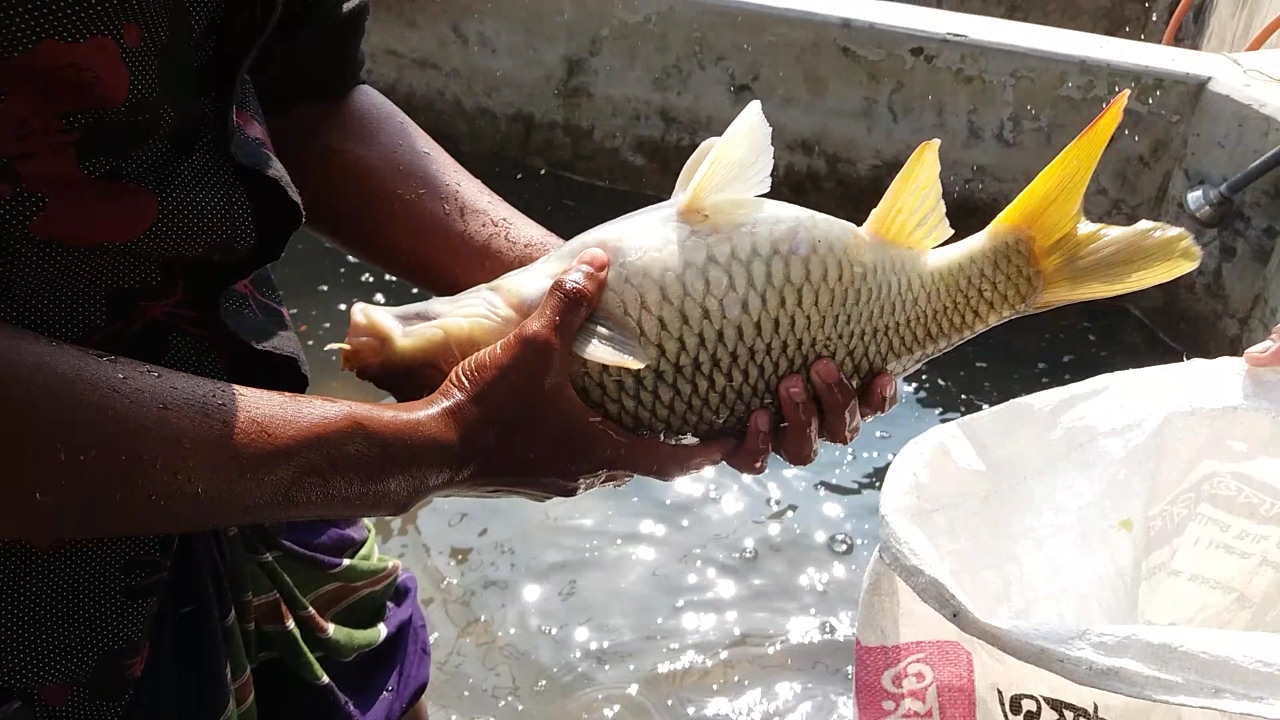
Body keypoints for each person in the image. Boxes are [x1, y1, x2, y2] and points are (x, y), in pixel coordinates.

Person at [0, 2, 899, 719]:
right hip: (46, 613)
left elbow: (299, 91)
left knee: (385, 668)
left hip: (255, 442)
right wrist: (436, 447)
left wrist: (616, 308)